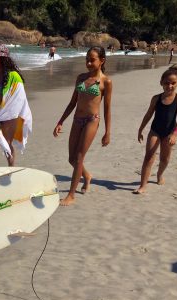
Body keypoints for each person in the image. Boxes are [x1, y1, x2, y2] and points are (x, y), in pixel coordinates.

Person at [53, 46, 112, 206]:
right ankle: (87, 176)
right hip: (77, 120)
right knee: (72, 158)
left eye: (92, 60)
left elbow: (107, 109)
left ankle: (71, 195)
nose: (89, 63)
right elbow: (72, 102)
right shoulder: (81, 78)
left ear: (102, 61)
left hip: (92, 120)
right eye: (87, 59)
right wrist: (60, 121)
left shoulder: (106, 81)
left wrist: (107, 132)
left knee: (79, 158)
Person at [133, 66, 177, 194]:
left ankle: (159, 175)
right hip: (155, 131)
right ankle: (143, 185)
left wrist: (174, 134)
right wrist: (141, 129)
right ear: (161, 83)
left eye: (173, 83)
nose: (170, 86)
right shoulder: (156, 98)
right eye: (167, 83)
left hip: (169, 134)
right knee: (148, 157)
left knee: (165, 159)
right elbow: (148, 114)